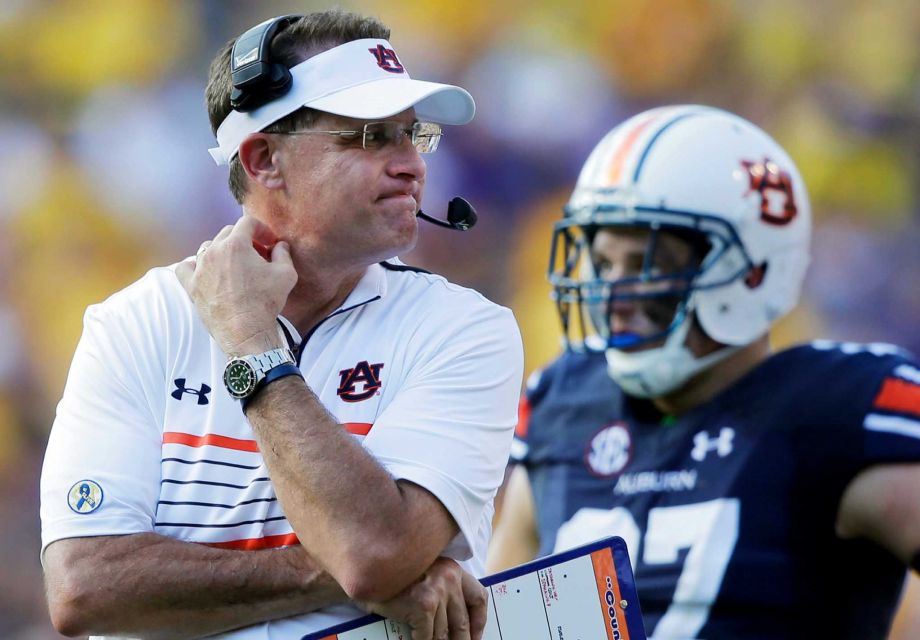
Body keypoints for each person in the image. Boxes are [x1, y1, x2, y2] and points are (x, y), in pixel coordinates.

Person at [40, 10, 523, 640]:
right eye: (374, 136)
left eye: (414, 135)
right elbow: (84, 588)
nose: (412, 165)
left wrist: (252, 347)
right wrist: (354, 571)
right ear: (264, 158)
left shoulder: (466, 329)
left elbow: (372, 554)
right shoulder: (133, 323)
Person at [487, 104, 920, 639]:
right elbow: (501, 623)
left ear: (754, 269)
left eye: (651, 263)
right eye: (603, 264)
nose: (615, 292)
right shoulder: (565, 403)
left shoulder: (839, 408)